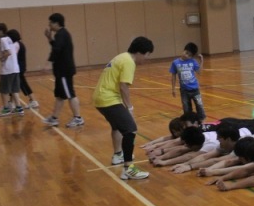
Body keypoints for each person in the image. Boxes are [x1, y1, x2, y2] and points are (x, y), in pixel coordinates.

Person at [92, 36, 154, 181]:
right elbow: (123, 86)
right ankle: (128, 169)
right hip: (108, 99)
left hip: (100, 97)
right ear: (140, 52)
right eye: (147, 55)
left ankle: (118, 155)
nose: (146, 59)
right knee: (130, 129)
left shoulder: (121, 57)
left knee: (117, 126)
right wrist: (130, 108)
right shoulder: (129, 62)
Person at [42, 13, 83, 128]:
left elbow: (56, 50)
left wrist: (48, 62)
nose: (49, 25)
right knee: (60, 95)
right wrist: (49, 38)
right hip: (61, 71)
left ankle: (78, 118)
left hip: (64, 71)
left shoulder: (62, 34)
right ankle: (54, 118)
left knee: (70, 94)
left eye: (50, 22)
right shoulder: (61, 34)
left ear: (56, 23)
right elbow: (57, 46)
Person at [169, 42, 206, 122]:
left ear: (192, 56)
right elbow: (173, 76)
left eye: (189, 55)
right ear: (184, 50)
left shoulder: (193, 61)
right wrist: (173, 89)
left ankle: (201, 122)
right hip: (184, 91)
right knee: (186, 108)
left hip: (195, 89)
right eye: (186, 53)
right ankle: (189, 122)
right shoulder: (175, 63)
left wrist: (201, 61)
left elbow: (199, 72)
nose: (186, 55)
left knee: (199, 106)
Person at [0, 23, 22, 116]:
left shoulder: (3, 39)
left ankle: (6, 109)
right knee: (14, 90)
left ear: (1, 31)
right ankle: (19, 108)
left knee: (4, 90)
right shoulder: (13, 41)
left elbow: (8, 52)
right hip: (15, 68)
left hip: (8, 69)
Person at [6, 29, 38, 109]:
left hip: (18, 68)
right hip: (19, 67)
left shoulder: (16, 44)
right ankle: (12, 103)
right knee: (15, 85)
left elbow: (11, 55)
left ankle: (33, 101)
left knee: (21, 84)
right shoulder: (19, 44)